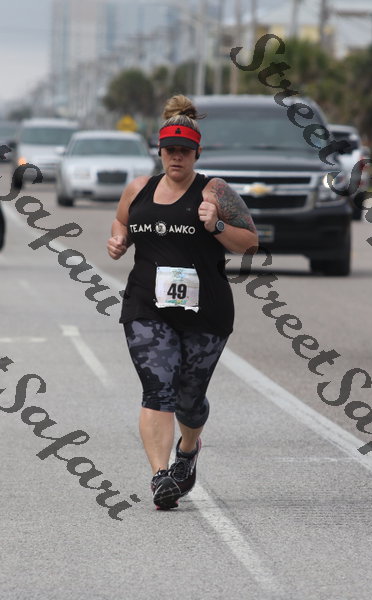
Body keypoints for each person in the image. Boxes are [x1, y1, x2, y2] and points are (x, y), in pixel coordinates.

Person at [107, 95, 258, 510]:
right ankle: (161, 476)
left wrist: (217, 224)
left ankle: (188, 451)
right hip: (147, 305)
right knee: (158, 386)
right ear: (159, 151)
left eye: (185, 151)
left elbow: (250, 242)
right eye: (170, 149)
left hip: (205, 311)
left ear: (197, 153)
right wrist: (119, 239)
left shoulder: (215, 191)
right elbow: (122, 220)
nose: (177, 157)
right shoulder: (139, 189)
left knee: (189, 399)